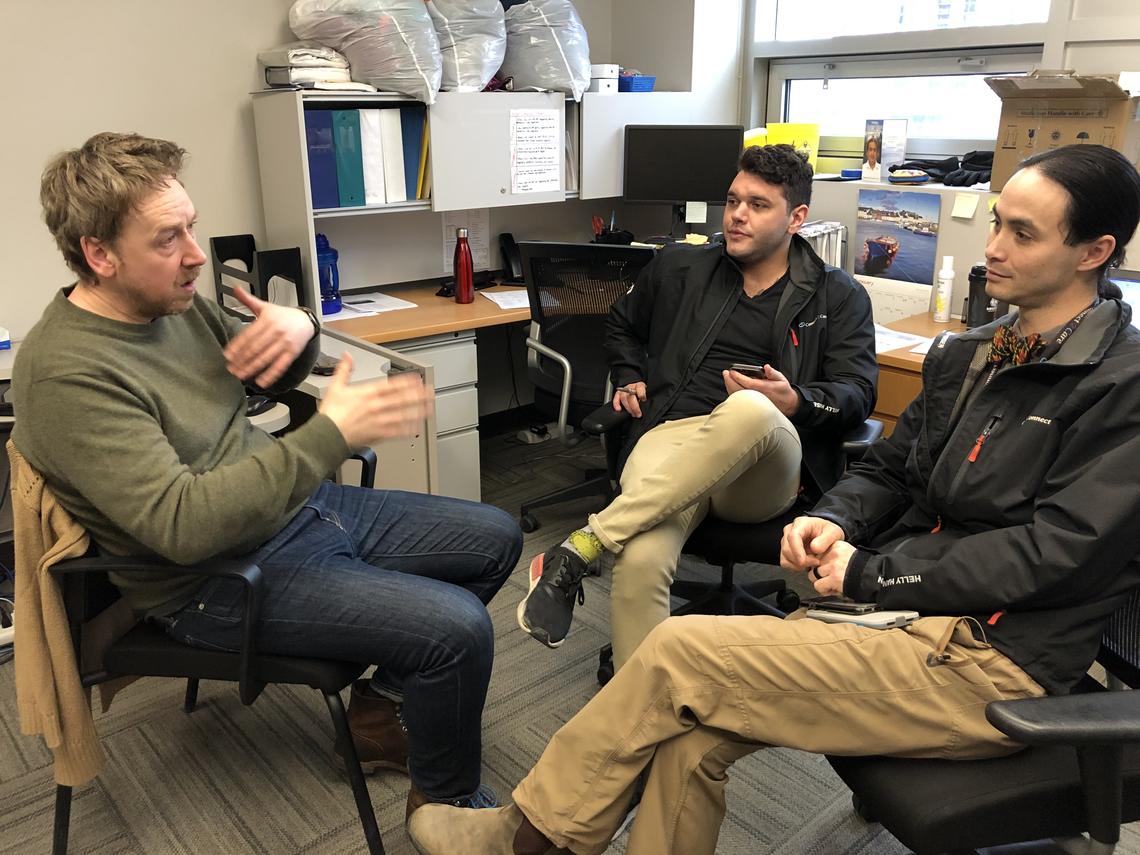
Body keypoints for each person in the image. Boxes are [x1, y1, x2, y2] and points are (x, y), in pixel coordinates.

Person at [405, 142, 1140, 854]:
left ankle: (521, 838)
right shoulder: (975, 353)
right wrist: (830, 517)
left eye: (1022, 232)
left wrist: (867, 573)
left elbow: (1052, 555)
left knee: (678, 648)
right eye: (996, 222)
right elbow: (889, 469)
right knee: (686, 734)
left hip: (990, 660)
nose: (995, 246)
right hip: (898, 617)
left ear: (1093, 251)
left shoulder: (1119, 388)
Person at [11, 132, 523, 814]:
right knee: (455, 629)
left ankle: (378, 715)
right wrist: (330, 433)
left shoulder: (172, 298)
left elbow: (268, 366)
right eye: (168, 238)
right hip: (211, 580)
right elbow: (184, 526)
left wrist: (300, 327)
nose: (197, 253)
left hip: (294, 508)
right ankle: (449, 809)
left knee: (496, 535)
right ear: (99, 255)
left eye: (191, 226)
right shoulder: (67, 374)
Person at [517, 144, 878, 665]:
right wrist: (629, 373)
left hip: (762, 464)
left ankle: (585, 543)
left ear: (796, 218)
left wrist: (795, 400)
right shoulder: (681, 266)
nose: (736, 215)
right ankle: (635, 710)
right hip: (670, 438)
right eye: (733, 201)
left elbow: (858, 392)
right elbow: (620, 322)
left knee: (750, 409)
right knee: (641, 554)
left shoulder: (835, 295)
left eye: (758, 205)